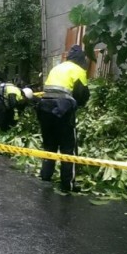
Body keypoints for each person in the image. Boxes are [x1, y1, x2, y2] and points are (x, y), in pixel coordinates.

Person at [37, 44, 90, 192]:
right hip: (63, 110)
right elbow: (82, 95)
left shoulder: (57, 67)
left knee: (49, 146)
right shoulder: (78, 70)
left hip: (44, 109)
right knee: (68, 148)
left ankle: (45, 177)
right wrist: (78, 105)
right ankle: (67, 184)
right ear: (81, 59)